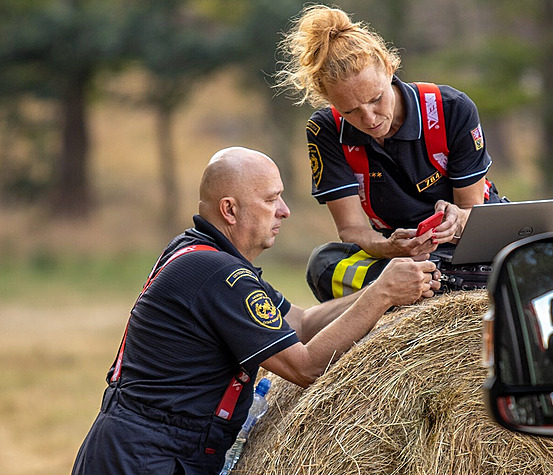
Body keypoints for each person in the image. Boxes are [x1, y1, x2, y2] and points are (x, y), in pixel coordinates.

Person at [71, 147, 440, 475]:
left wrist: (380, 290)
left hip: (147, 449)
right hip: (147, 457)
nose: (285, 210)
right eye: (271, 199)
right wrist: (382, 296)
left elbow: (302, 322)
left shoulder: (207, 256)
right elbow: (305, 366)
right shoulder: (218, 274)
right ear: (230, 210)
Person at [274, 4, 505, 302]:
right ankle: (434, 281)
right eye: (351, 111)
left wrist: (455, 220)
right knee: (324, 265)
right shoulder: (325, 131)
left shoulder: (451, 108)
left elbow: (471, 209)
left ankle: (434, 281)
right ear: (328, 99)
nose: (369, 118)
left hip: (468, 242)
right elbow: (352, 229)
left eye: (375, 99)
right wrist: (390, 248)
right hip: (396, 258)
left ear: (388, 67)